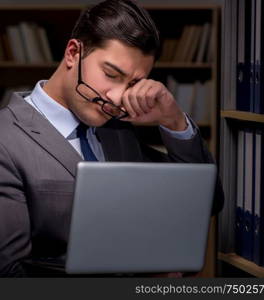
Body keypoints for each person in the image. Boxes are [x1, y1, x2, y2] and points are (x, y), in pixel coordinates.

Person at [0, 0, 224, 277]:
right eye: (110, 74)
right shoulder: (6, 138)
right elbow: (9, 275)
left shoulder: (118, 131)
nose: (118, 98)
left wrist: (174, 121)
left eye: (132, 84)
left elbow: (208, 202)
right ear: (73, 53)